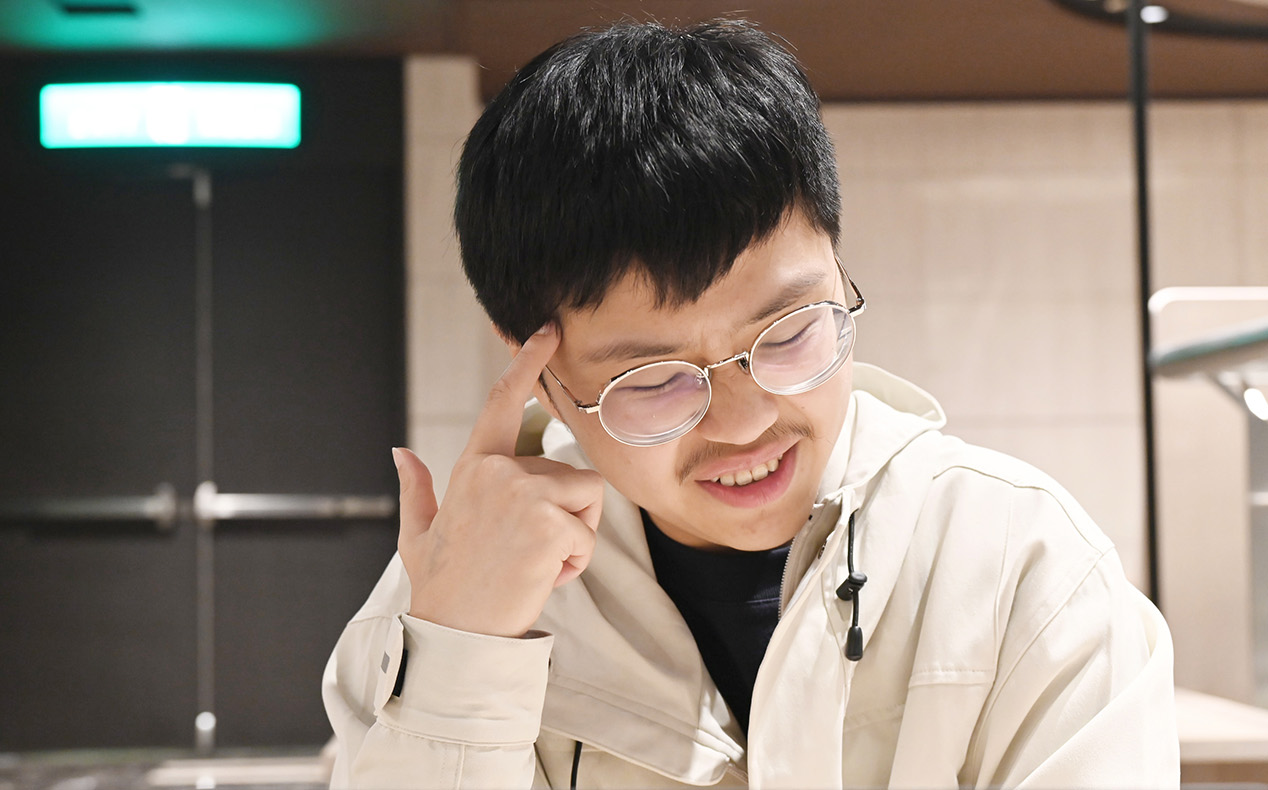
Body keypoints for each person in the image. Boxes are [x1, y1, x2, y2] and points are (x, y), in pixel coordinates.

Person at [322, 18, 1179, 789]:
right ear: (531, 361)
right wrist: (462, 655)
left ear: (838, 267)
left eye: (790, 333)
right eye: (652, 380)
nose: (745, 423)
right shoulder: (456, 589)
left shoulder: (1017, 562)